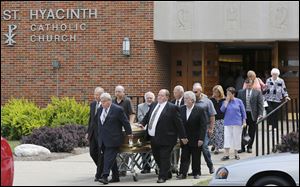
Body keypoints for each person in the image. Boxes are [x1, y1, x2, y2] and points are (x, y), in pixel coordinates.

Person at [139, 89, 188, 183]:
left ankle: (162, 176)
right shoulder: (154, 105)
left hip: (167, 138)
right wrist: (142, 123)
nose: (159, 97)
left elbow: (179, 123)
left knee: (164, 156)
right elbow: (148, 116)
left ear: (167, 97)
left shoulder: (172, 107)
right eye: (158, 95)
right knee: (157, 157)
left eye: (161, 95)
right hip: (154, 137)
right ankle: (167, 171)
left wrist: (183, 136)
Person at [97, 93, 133, 184]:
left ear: (109, 101)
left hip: (114, 138)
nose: (102, 103)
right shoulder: (100, 109)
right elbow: (99, 123)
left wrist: (129, 133)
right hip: (103, 138)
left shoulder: (118, 110)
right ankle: (116, 176)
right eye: (101, 102)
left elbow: (125, 122)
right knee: (111, 158)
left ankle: (105, 176)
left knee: (108, 157)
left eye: (104, 101)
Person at [176, 91, 207, 180]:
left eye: (186, 99)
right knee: (184, 156)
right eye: (184, 98)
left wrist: (201, 138)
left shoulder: (200, 110)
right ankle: (182, 173)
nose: (184, 100)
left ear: (192, 100)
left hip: (196, 138)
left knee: (196, 156)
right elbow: (179, 124)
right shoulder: (181, 109)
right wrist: (182, 137)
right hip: (184, 138)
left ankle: (196, 172)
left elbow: (203, 126)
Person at [193, 83, 216, 174]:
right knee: (194, 149)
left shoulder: (207, 101)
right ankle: (196, 170)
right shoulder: (191, 100)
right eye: (193, 91)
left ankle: (210, 166)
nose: (194, 93)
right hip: (193, 128)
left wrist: (211, 128)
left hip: (205, 127)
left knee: (204, 147)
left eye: (196, 92)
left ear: (200, 91)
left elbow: (212, 116)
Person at [113, 85, 135, 176]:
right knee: (117, 149)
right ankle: (118, 168)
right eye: (116, 91)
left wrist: (130, 125)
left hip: (125, 128)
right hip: (115, 129)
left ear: (123, 92)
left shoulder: (127, 101)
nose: (117, 93)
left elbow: (132, 114)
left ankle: (123, 169)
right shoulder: (113, 101)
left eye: (119, 91)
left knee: (125, 149)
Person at [237, 79, 264, 153]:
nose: (248, 86)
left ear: (252, 85)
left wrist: (260, 114)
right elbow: (238, 104)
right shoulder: (240, 92)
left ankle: (249, 146)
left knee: (251, 131)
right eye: (247, 85)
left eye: (250, 85)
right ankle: (242, 147)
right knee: (243, 131)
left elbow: (260, 104)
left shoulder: (257, 92)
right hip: (243, 114)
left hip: (253, 114)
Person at [220, 87, 246, 161]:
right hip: (227, 122)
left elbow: (243, 112)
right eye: (227, 93)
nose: (227, 95)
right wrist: (226, 101)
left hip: (237, 122)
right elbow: (222, 110)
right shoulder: (225, 101)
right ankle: (226, 154)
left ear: (233, 94)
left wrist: (244, 121)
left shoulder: (239, 101)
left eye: (229, 94)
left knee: (236, 138)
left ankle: (236, 154)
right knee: (227, 138)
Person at [86, 87, 104, 181]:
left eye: (98, 94)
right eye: (95, 94)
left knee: (100, 154)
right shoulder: (93, 104)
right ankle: (101, 168)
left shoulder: (105, 105)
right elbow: (91, 119)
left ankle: (99, 173)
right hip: (93, 133)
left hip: (101, 133)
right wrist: (88, 132)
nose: (96, 96)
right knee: (92, 152)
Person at [137, 91, 155, 174]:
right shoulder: (140, 106)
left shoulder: (156, 106)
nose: (149, 99)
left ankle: (156, 167)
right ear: (145, 98)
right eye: (148, 98)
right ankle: (146, 167)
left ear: (153, 99)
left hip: (154, 130)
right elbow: (140, 117)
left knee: (155, 149)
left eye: (151, 98)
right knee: (144, 149)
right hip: (144, 130)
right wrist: (148, 120)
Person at [170, 85, 185, 174]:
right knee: (173, 148)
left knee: (182, 149)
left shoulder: (185, 101)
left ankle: (180, 167)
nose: (174, 94)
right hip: (173, 130)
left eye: (175, 92)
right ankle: (173, 166)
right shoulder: (172, 102)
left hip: (183, 129)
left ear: (181, 92)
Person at [210, 85, 225, 155]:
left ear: (220, 92)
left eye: (217, 92)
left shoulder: (224, 100)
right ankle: (214, 145)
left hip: (221, 119)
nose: (215, 94)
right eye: (214, 92)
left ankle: (217, 148)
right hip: (213, 119)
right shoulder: (211, 100)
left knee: (219, 134)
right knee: (213, 134)